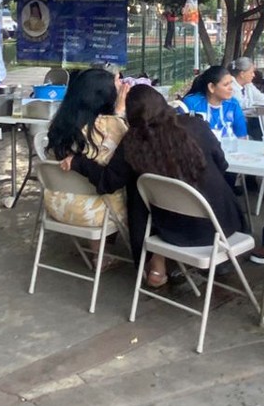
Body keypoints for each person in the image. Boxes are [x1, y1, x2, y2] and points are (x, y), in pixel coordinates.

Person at [63, 84, 243, 288]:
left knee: (139, 186)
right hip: (221, 223)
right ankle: (176, 263)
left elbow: (108, 182)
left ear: (131, 114)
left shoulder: (132, 141)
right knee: (149, 183)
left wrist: (79, 162)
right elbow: (223, 165)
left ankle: (155, 263)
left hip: (171, 230)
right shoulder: (197, 125)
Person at [44, 68, 130, 244]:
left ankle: (100, 255)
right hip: (95, 213)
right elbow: (113, 174)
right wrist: (119, 114)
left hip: (56, 205)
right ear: (105, 96)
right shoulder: (110, 126)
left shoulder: (59, 124)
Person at [181, 65, 248, 139]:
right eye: (226, 85)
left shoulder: (233, 104)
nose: (231, 88)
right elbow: (186, 135)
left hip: (229, 148)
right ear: (211, 87)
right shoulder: (192, 103)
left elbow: (242, 136)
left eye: (231, 83)